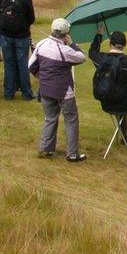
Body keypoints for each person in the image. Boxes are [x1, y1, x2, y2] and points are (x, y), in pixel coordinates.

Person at [29, 18, 88, 162]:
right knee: (71, 120)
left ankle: (45, 149)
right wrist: (72, 43)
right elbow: (81, 57)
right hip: (63, 91)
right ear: (66, 33)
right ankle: (72, 154)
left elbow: (31, 65)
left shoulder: (42, 44)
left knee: (50, 118)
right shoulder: (65, 50)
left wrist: (42, 77)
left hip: (45, 89)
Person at [0, 0, 35, 100]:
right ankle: (26, 93)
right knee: (23, 64)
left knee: (9, 63)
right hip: (22, 36)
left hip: (6, 35)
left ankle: (8, 92)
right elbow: (31, 18)